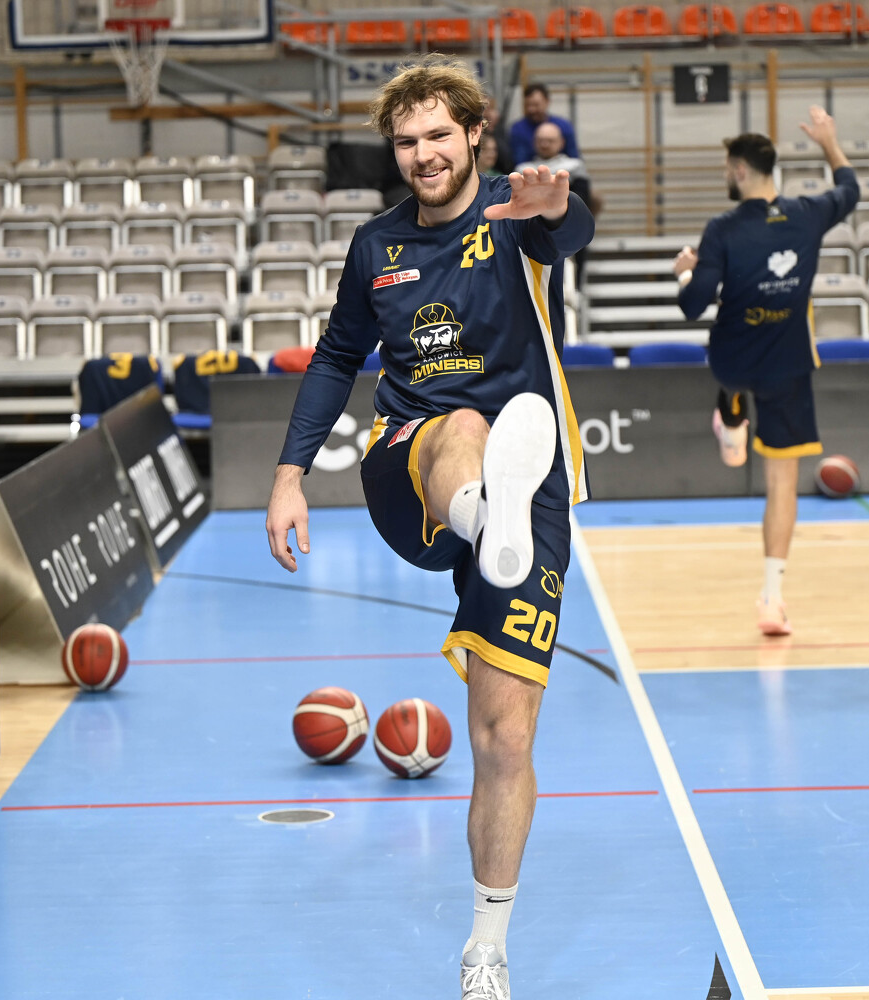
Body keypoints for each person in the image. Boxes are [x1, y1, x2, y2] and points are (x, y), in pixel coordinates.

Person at [264, 55, 594, 1000]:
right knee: (464, 430)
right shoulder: (376, 246)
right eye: (406, 142)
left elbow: (569, 228)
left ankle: (485, 947)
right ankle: (483, 509)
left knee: (504, 739)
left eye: (439, 135)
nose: (423, 155)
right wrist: (289, 475)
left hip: (532, 491)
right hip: (410, 468)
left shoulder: (514, 213)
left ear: (474, 133)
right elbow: (336, 357)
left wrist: (555, 207)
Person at [673, 107, 858, 637]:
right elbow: (850, 190)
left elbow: (693, 306)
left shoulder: (723, 229)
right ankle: (772, 601)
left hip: (733, 359)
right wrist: (829, 140)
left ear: (739, 170)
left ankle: (731, 413)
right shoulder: (808, 213)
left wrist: (684, 274)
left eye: (726, 169)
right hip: (787, 364)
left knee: (733, 383)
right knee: (783, 484)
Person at [508, 83, 579, 170]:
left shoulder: (564, 126)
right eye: (528, 105)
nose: (531, 109)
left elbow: (574, 157)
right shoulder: (518, 129)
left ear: (547, 102)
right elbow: (518, 161)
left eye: (536, 105)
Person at [481, 95, 515, 174]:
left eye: (492, 109)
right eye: (484, 110)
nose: (489, 115)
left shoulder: (500, 134)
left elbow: (507, 164)